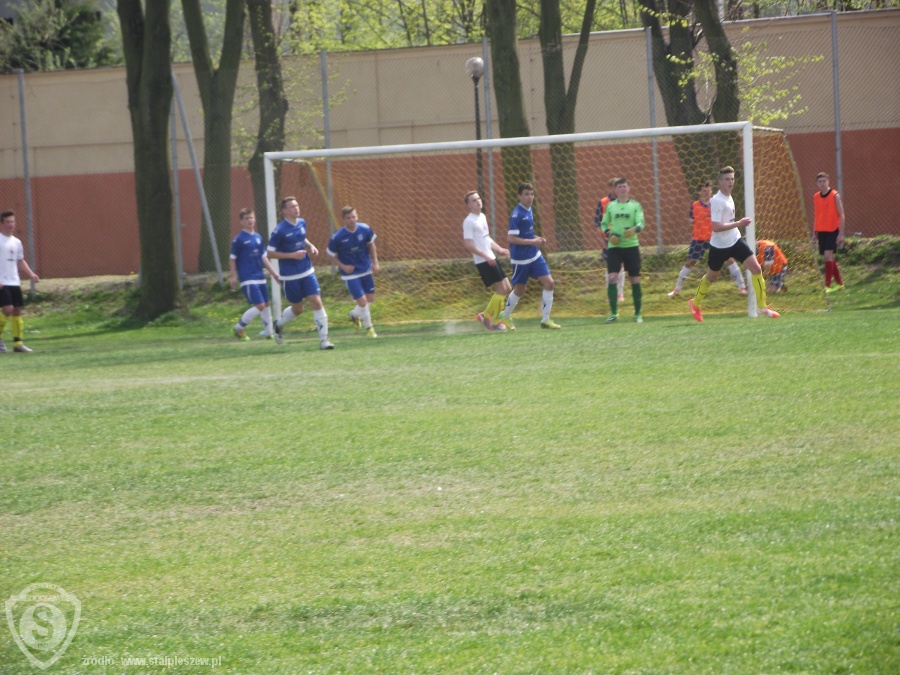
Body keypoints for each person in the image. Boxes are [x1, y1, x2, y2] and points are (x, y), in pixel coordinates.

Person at [688, 166, 780, 322]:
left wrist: (736, 226)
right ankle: (695, 303)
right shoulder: (717, 201)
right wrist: (739, 223)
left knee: (756, 268)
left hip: (735, 240)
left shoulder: (728, 197)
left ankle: (762, 306)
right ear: (720, 182)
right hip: (719, 246)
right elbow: (716, 227)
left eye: (732, 179)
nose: (730, 182)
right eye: (727, 179)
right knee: (712, 277)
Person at [267, 196, 334, 349]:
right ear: (285, 211)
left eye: (297, 205)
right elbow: (269, 253)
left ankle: (324, 341)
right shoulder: (279, 231)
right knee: (298, 309)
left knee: (316, 301)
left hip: (306, 270)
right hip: (290, 275)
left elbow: (302, 238)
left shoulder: (302, 222)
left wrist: (310, 246)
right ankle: (279, 324)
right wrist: (292, 255)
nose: (296, 208)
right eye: (292, 207)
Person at [667, 181, 748, 298]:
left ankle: (742, 288)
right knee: (690, 262)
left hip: (716, 238)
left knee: (729, 260)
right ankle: (676, 290)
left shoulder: (716, 204)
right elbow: (692, 220)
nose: (706, 193)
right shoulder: (694, 206)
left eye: (708, 190)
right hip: (699, 239)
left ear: (711, 191)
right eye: (703, 191)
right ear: (699, 192)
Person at [498, 182, 560, 330]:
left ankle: (545, 320)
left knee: (549, 283)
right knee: (520, 289)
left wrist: (537, 239)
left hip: (534, 255)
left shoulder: (529, 210)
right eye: (526, 194)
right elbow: (511, 238)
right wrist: (533, 242)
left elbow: (527, 234)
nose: (530, 197)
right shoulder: (517, 214)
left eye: (531, 194)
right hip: (521, 259)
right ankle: (505, 315)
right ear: (519, 196)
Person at [327, 206, 380, 338]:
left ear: (357, 217)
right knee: (362, 302)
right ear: (343, 220)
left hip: (365, 269)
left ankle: (354, 315)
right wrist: (343, 266)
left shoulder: (365, 229)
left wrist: (375, 262)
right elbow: (330, 254)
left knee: (370, 299)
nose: (351, 220)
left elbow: (371, 245)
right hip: (350, 274)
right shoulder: (338, 237)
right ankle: (369, 328)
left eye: (353, 217)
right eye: (348, 218)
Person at [461, 191, 510, 331]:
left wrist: (499, 249)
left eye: (478, 198)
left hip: (491, 257)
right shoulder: (468, 221)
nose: (478, 201)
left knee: (507, 288)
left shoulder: (482, 216)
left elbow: (486, 238)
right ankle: (495, 321)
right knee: (501, 289)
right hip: (483, 260)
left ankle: (485, 315)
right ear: (468, 205)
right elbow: (468, 244)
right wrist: (485, 256)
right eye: (474, 200)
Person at [229, 208, 281, 340]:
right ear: (241, 222)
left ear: (255, 219)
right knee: (260, 305)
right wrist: (234, 276)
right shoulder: (238, 239)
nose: (249, 220)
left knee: (266, 304)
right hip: (247, 277)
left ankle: (268, 332)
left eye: (251, 217)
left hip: (260, 276)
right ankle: (238, 328)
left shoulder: (258, 237)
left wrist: (274, 273)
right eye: (246, 218)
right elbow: (232, 259)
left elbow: (264, 258)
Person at [599, 177, 645, 323]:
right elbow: (604, 223)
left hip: (631, 246)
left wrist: (635, 229)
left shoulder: (635, 205)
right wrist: (609, 234)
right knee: (612, 277)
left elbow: (641, 222)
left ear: (629, 188)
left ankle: (638, 314)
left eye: (624, 186)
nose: (622, 189)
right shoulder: (610, 206)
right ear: (615, 190)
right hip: (615, 247)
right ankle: (613, 313)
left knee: (634, 279)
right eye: (619, 187)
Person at [0, 210, 39, 353]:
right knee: (8, 309)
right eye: (7, 222)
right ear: (2, 224)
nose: (10, 225)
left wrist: (31, 274)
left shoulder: (17, 242)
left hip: (14, 281)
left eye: (12, 221)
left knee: (16, 310)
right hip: (2, 282)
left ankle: (18, 344)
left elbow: (20, 261)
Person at [594, 178, 625, 304]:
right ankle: (610, 293)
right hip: (607, 239)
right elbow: (597, 223)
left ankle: (620, 294)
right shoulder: (603, 203)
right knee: (609, 266)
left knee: (621, 265)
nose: (618, 190)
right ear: (611, 188)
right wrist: (600, 239)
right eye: (615, 187)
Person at [813, 171, 846, 292]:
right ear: (817, 183)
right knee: (829, 257)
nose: (822, 183)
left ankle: (827, 286)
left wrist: (841, 234)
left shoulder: (834, 195)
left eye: (824, 181)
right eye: (820, 181)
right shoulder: (816, 197)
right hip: (821, 230)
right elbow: (817, 215)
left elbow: (842, 214)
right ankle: (840, 284)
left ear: (828, 182)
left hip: (833, 230)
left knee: (828, 255)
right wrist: (814, 232)